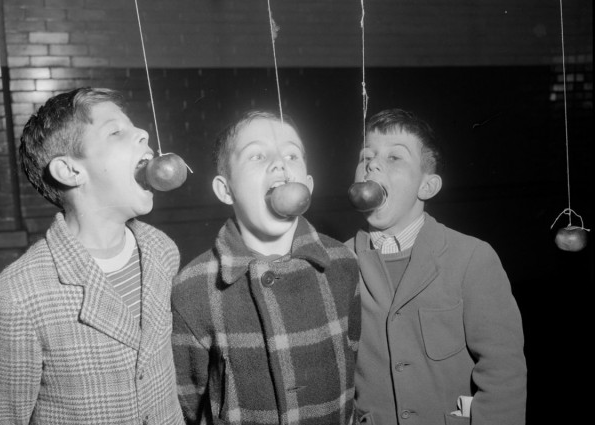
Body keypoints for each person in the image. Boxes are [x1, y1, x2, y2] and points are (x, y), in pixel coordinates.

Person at [0, 87, 185, 425]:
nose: (143, 133)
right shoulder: (14, 299)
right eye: (115, 132)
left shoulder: (162, 250)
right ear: (70, 171)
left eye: (135, 126)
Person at [171, 110, 361, 425]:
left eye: (292, 155)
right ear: (225, 189)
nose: (279, 164)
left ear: (308, 185)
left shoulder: (343, 262)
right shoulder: (192, 288)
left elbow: (352, 360)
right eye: (257, 156)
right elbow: (189, 403)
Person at [348, 109, 527, 425]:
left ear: (427, 187)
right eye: (366, 157)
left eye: (394, 158)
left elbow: (503, 373)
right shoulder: (339, 262)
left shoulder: (472, 258)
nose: (372, 164)